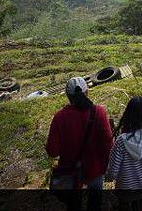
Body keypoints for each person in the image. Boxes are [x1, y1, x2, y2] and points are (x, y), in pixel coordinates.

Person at [46, 77, 113, 211]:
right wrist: (106, 165)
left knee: (73, 205)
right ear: (87, 92)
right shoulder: (99, 112)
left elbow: (52, 151)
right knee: (95, 203)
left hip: (70, 171)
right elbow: (108, 143)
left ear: (68, 96)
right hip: (95, 168)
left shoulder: (60, 117)